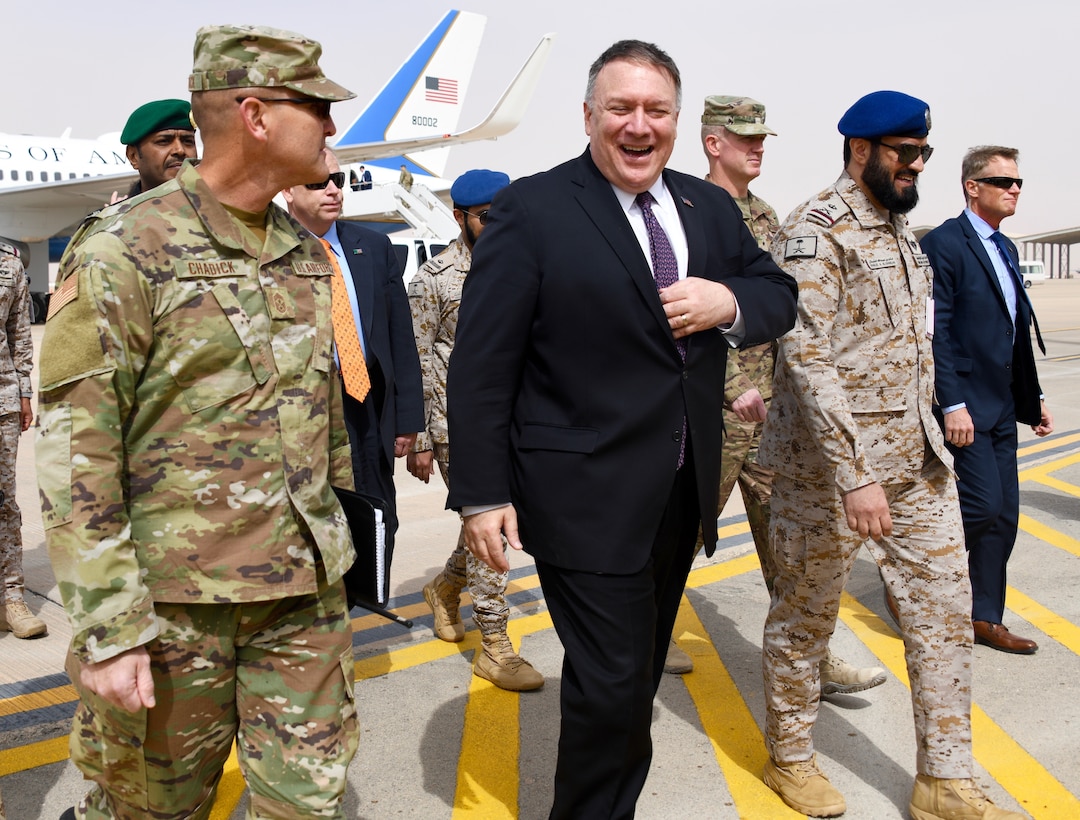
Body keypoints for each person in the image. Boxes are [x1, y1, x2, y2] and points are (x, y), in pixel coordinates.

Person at [445, 40, 797, 818]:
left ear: (677, 121)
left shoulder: (708, 210)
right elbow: (480, 366)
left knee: (631, 679)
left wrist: (726, 304)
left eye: (656, 111)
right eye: (622, 109)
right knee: (611, 687)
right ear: (589, 116)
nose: (639, 126)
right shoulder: (534, 211)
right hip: (581, 493)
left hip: (680, 487)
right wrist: (479, 493)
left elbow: (777, 292)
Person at [36, 25, 361, 819]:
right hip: (174, 614)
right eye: (315, 105)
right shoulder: (124, 248)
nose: (331, 124)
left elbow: (320, 418)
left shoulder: (302, 250)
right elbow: (78, 450)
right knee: (148, 810)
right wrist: (110, 627)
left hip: (300, 600)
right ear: (254, 114)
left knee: (305, 805)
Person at [758, 91, 1025, 820]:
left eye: (923, 154)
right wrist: (855, 475)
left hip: (918, 463)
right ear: (860, 150)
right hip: (831, 476)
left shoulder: (903, 231)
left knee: (943, 616)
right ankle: (791, 757)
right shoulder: (817, 230)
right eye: (904, 153)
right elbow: (807, 358)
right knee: (805, 620)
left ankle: (944, 778)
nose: (915, 167)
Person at [665, 96, 887, 696]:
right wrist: (733, 388)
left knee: (790, 541)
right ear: (713, 143)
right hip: (710, 411)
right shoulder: (682, 212)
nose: (758, 147)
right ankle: (651, 635)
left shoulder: (769, 218)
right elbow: (677, 313)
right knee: (677, 530)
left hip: (771, 417)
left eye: (762, 138)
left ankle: (814, 650)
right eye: (745, 138)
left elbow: (782, 310)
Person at [408, 169, 543, 691]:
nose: (499, 223)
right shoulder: (434, 280)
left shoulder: (526, 265)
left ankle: (445, 589)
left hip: (519, 418)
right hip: (456, 424)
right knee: (491, 527)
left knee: (497, 522)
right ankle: (495, 645)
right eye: (488, 217)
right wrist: (419, 437)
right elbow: (418, 361)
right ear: (461, 217)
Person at [921, 147, 1052, 654]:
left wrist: (1033, 395)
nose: (1014, 189)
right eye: (1003, 181)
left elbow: (1016, 332)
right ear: (972, 186)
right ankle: (917, 579)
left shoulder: (1006, 249)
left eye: (1018, 182)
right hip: (966, 406)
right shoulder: (944, 245)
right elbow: (939, 333)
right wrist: (951, 404)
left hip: (1001, 404)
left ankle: (985, 617)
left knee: (1005, 515)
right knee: (980, 505)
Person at [283, 147, 423, 585]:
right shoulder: (274, 253)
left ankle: (368, 596)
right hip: (314, 412)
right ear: (287, 190)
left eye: (337, 181)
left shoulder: (373, 247)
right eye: (317, 182)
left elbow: (401, 337)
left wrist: (407, 420)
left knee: (380, 516)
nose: (332, 190)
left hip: (369, 406)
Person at [0, 242, 43, 640]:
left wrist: (25, 391)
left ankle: (11, 599)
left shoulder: (8, 263)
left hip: (2, 399)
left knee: (3, 501)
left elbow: (19, 333)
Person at [118, 99, 198, 199]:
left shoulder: (219, 210)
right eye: (164, 141)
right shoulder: (119, 214)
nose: (180, 150)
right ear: (133, 156)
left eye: (188, 141)